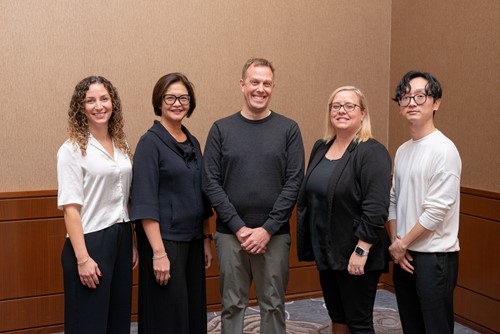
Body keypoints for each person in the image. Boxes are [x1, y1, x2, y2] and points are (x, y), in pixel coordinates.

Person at [203, 57, 304, 334]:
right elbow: (210, 182)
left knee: (273, 304)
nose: (260, 89)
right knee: (232, 303)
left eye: (267, 83)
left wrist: (267, 230)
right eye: (255, 82)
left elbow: (294, 183)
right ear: (242, 84)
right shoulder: (221, 129)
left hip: (274, 235)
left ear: (273, 87)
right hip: (229, 234)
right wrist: (239, 227)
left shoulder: (289, 130)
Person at [296, 86, 392, 333]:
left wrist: (361, 250)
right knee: (337, 314)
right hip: (327, 251)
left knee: (358, 321)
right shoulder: (321, 147)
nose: (342, 111)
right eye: (336, 106)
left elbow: (376, 207)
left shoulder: (372, 151)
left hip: (356, 252)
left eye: (349, 106)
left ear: (363, 113)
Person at [130, 73, 213, 334]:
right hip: (164, 243)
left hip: (193, 240)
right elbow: (144, 202)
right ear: (160, 101)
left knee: (192, 312)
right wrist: (158, 253)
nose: (178, 103)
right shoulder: (149, 143)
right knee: (167, 316)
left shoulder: (192, 141)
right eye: (171, 97)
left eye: (183, 98)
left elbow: (202, 194)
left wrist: (206, 239)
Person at [57, 76, 138, 333]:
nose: (99, 105)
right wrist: (83, 259)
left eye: (104, 98)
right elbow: (70, 208)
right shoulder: (71, 150)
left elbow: (125, 200)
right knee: (89, 324)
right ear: (81, 108)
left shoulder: (122, 146)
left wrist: (133, 242)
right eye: (90, 100)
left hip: (122, 238)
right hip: (90, 243)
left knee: (118, 321)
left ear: (113, 102)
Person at [388, 71, 461, 334]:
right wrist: (397, 243)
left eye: (420, 96)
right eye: (405, 97)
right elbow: (393, 200)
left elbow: (436, 212)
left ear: (436, 102)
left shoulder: (444, 150)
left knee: (436, 328)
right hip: (403, 254)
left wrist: (402, 243)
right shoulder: (403, 149)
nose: (412, 102)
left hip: (435, 258)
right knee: (411, 326)